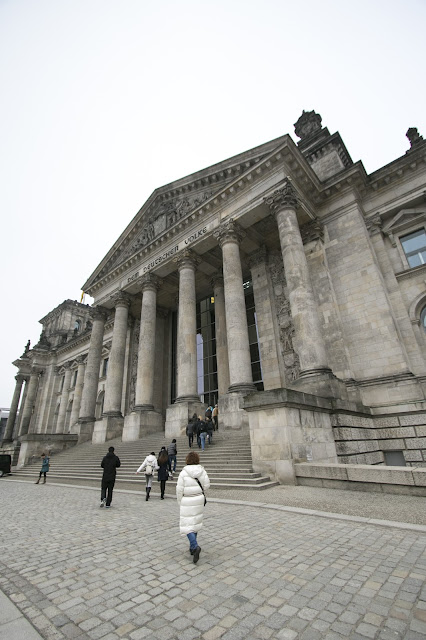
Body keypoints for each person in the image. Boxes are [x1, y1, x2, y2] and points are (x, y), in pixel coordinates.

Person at [176, 451, 210, 564]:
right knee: (194, 522)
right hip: (199, 499)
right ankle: (192, 548)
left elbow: (179, 489)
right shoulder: (202, 471)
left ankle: (195, 546)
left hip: (187, 500)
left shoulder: (183, 473)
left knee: (187, 525)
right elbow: (207, 485)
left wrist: (180, 501)